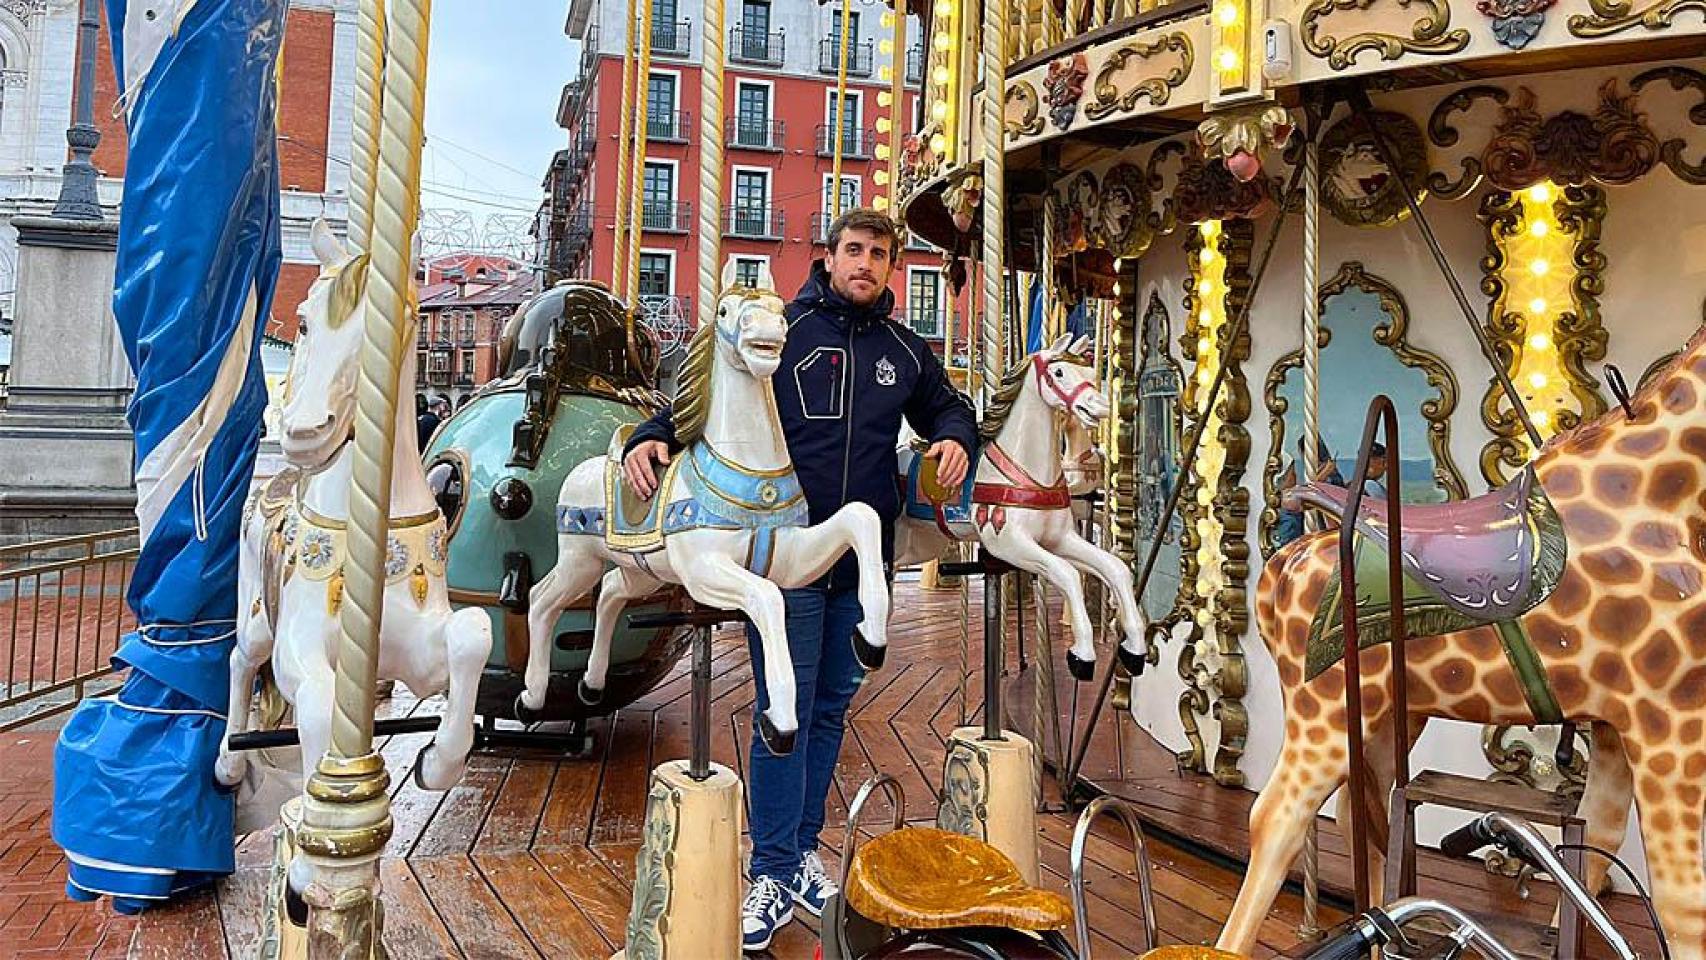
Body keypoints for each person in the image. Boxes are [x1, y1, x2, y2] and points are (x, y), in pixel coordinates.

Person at [622, 208, 978, 951]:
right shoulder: (785, 329)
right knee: (782, 709)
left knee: (828, 711)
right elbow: (706, 391)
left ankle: (800, 849)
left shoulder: (903, 349)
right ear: (830, 256)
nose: (866, 263)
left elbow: (948, 404)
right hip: (785, 553)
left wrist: (952, 436)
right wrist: (653, 435)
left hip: (859, 564)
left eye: (879, 254)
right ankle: (773, 867)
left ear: (891, 266)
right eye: (855, 250)